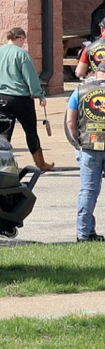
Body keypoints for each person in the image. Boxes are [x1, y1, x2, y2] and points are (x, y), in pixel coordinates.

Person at [0, 26, 53, 173]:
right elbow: (30, 77)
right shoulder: (22, 54)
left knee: (3, 132)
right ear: (19, 38)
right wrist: (39, 94)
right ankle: (40, 164)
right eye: (23, 40)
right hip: (19, 97)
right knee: (30, 130)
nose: (23, 43)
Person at [67, 80, 105, 243]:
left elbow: (70, 122)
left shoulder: (79, 91)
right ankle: (88, 232)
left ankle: (83, 233)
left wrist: (78, 142)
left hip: (89, 145)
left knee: (88, 190)